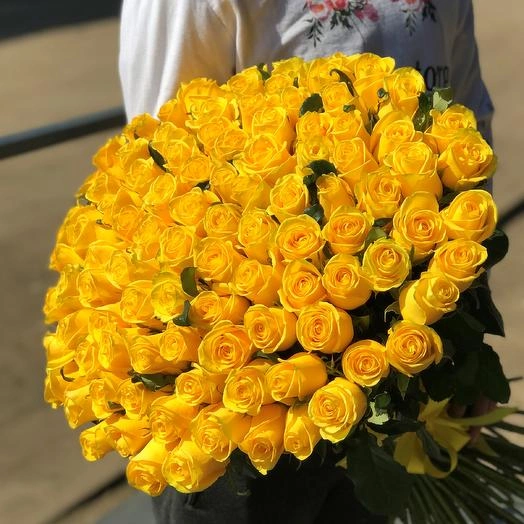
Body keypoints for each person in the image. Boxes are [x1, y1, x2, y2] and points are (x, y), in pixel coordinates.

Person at [118, 2, 494, 522]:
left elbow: (470, 111)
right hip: (241, 406)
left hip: (413, 365)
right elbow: (163, 159)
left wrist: (469, 324)